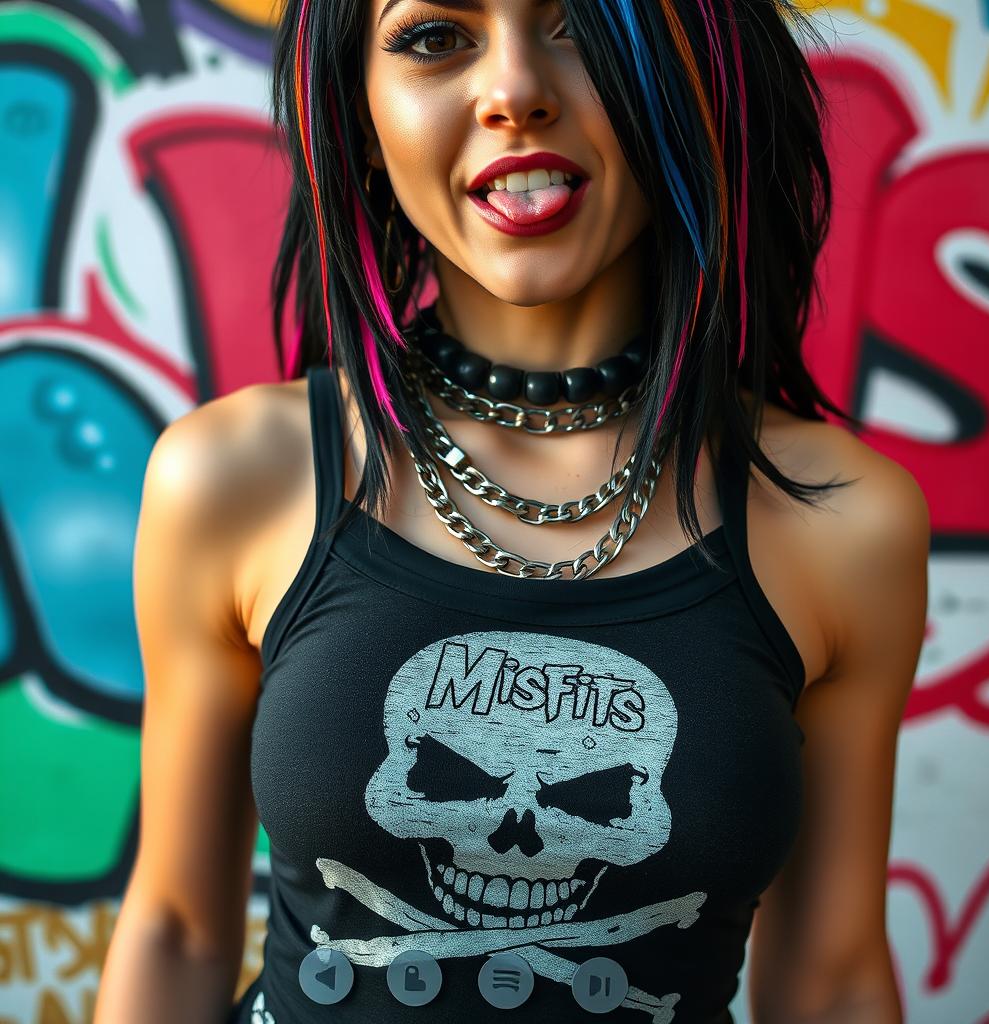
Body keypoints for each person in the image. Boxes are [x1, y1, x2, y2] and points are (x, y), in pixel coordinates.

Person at [95, 0, 930, 1021]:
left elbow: (832, 978)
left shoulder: (845, 524)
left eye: (578, 20)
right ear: (357, 118)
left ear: (699, 71)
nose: (514, 92)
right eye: (435, 37)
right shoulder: (231, 478)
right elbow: (176, 926)